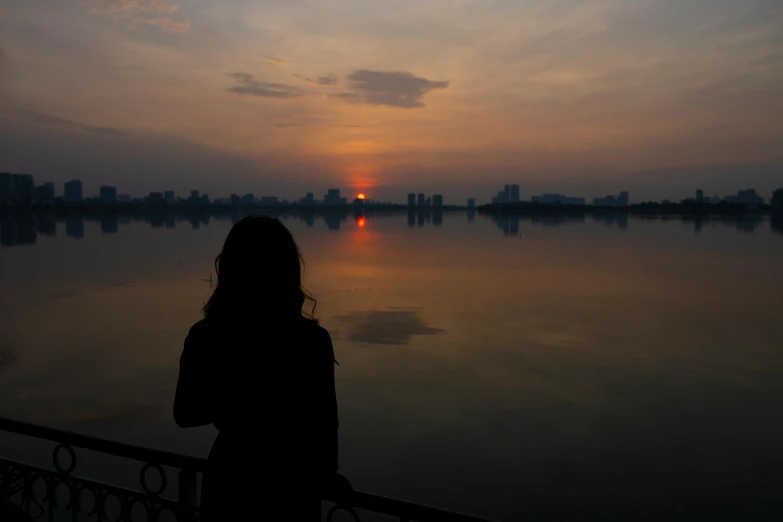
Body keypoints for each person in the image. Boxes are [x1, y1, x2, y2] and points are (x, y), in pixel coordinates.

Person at [174, 215, 346, 521]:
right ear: (289, 270)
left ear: (228, 268)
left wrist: (234, 407)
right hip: (290, 479)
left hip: (231, 473)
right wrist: (327, 476)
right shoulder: (312, 341)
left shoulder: (205, 334)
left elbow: (185, 413)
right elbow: (325, 425)